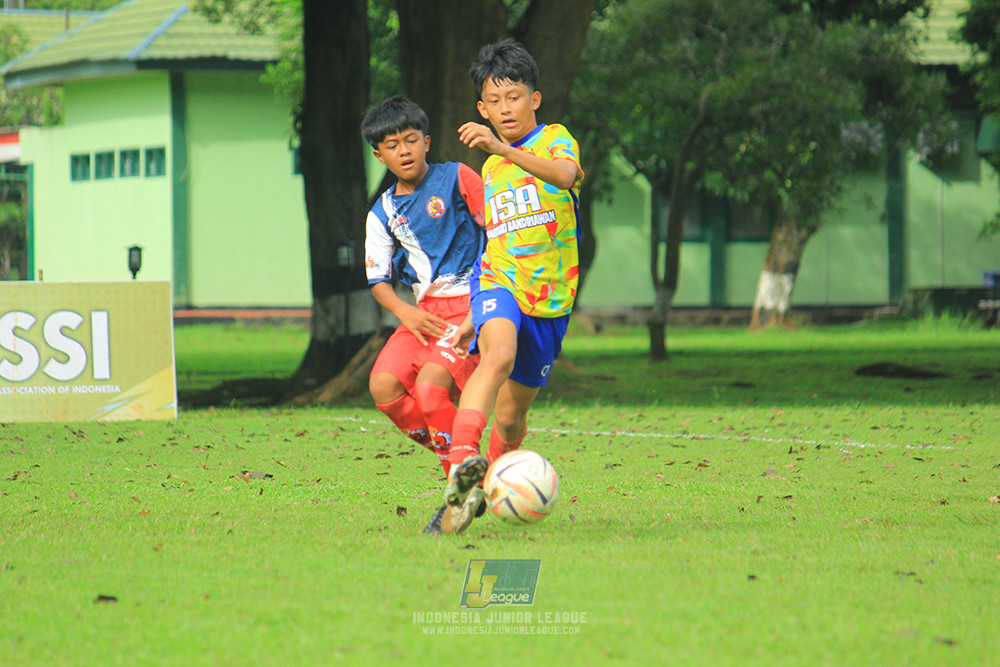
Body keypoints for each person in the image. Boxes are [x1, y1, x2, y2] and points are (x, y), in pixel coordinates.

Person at [441, 39, 584, 532]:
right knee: (496, 355)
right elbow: (494, 241)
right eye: (494, 102)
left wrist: (503, 148)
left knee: (509, 420)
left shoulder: (554, 140)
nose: (505, 109)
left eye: (515, 97)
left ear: (535, 99)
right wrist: (469, 315)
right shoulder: (491, 167)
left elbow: (565, 177)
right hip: (499, 282)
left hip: (549, 301)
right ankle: (462, 469)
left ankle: (491, 484)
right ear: (481, 107)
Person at [361, 96, 486, 534]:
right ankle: (462, 467)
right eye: (392, 145)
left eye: (411, 140)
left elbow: (498, 229)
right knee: (383, 386)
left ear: (427, 141)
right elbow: (378, 279)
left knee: (432, 391)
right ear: (380, 155)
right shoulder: (383, 213)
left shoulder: (457, 177)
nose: (404, 150)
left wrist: (490, 297)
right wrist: (405, 313)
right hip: (423, 313)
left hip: (470, 303)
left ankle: (460, 486)